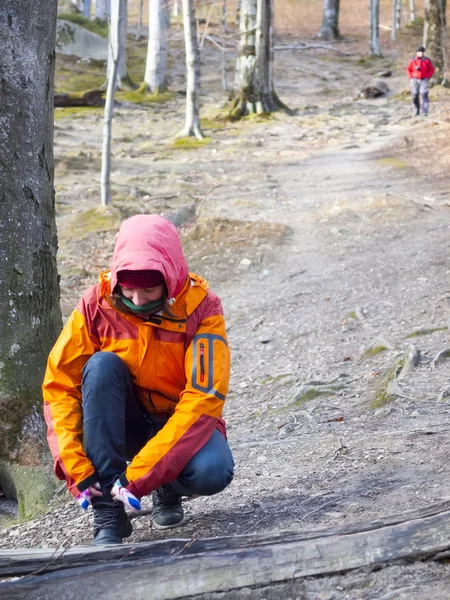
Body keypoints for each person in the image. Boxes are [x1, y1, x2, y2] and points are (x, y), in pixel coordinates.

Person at [42, 214, 234, 545]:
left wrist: (141, 477)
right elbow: (60, 386)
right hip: (120, 424)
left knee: (213, 471)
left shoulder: (202, 308)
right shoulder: (95, 304)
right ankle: (108, 512)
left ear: (170, 278)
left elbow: (203, 400)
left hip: (177, 423)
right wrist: (75, 467)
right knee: (101, 366)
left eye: (148, 289)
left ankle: (167, 486)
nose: (138, 299)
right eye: (129, 289)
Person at [407, 45, 434, 116]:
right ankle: (416, 110)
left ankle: (425, 111)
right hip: (414, 79)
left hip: (424, 79)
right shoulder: (413, 60)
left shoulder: (427, 60)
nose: (421, 53)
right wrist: (410, 77)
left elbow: (431, 69)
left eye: (422, 52)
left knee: (424, 93)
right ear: (417, 52)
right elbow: (408, 69)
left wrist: (428, 77)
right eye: (419, 52)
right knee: (415, 94)